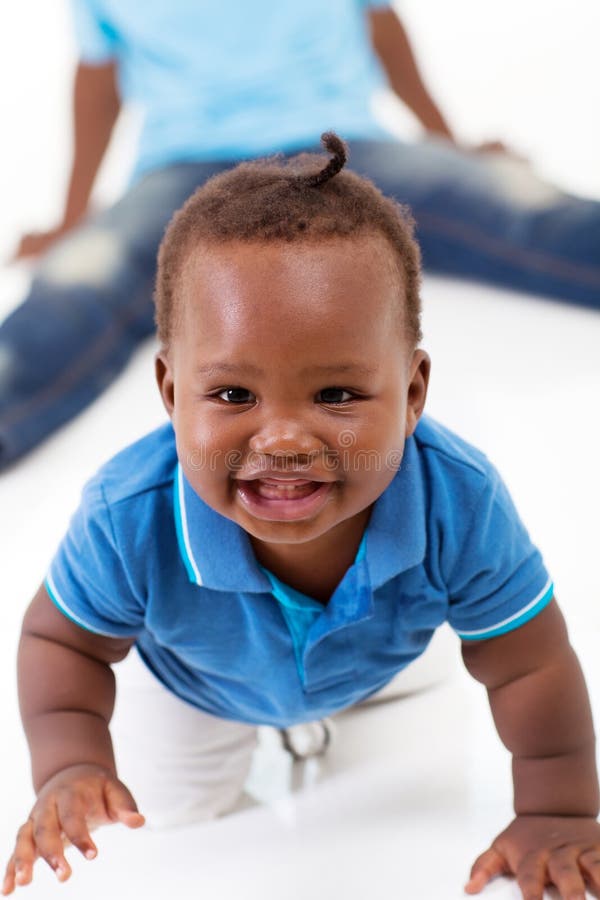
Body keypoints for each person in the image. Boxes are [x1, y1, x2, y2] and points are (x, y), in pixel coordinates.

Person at [3, 134, 600, 899]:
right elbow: (60, 641)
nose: (283, 438)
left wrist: (558, 811)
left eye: (337, 396)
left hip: (374, 660)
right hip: (195, 683)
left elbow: (528, 661)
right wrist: (73, 765)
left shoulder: (459, 497)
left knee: (401, 732)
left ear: (414, 394)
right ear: (171, 392)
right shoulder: (129, 515)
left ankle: (323, 713)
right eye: (232, 396)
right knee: (180, 823)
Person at [1, 1, 599, 470]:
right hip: (186, 165)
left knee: (521, 205)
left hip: (342, 145)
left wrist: (445, 143)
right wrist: (73, 215)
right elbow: (97, 81)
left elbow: (381, 25)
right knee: (78, 278)